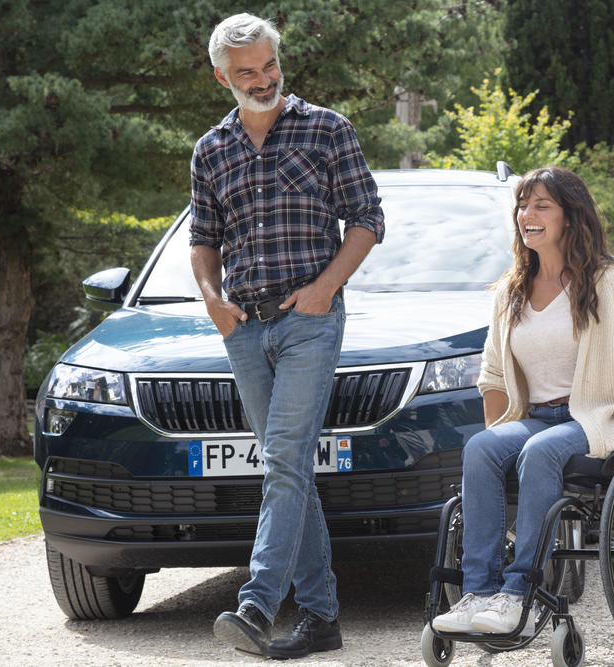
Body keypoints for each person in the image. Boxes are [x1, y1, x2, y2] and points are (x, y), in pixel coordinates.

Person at [189, 13, 383, 659]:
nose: (264, 79)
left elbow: (366, 217)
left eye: (270, 65)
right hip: (243, 327)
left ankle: (257, 603)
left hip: (309, 323)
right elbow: (203, 238)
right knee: (290, 467)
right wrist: (212, 300)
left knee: (283, 461)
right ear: (223, 76)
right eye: (247, 72)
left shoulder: (328, 129)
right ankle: (322, 617)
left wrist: (325, 288)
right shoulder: (210, 149)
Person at [432, 166, 614, 635]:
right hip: (538, 419)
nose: (527, 214)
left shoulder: (607, 283)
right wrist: (496, 437)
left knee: (539, 450)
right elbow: (493, 378)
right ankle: (479, 592)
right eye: (523, 206)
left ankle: (519, 593)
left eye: (541, 205)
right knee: (480, 448)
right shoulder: (511, 292)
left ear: (570, 216)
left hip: (596, 417)